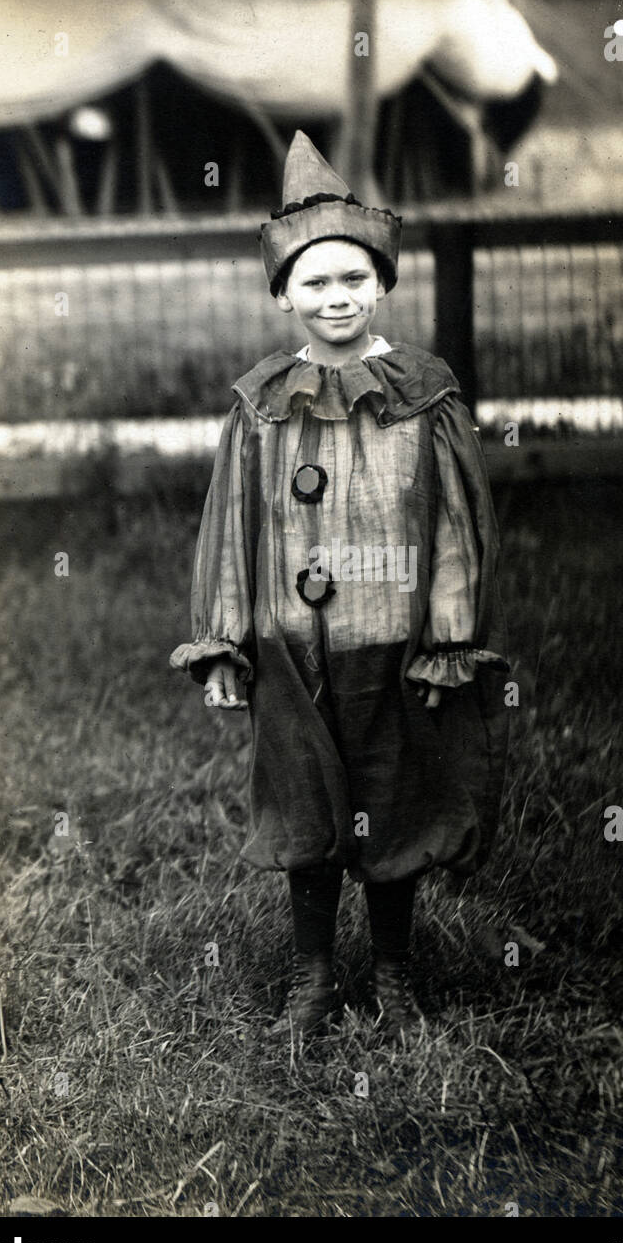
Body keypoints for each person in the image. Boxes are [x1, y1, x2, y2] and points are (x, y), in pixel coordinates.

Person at [170, 131, 509, 1042]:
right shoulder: (260, 406)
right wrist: (226, 643)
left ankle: (395, 973)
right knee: (306, 812)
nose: (336, 298)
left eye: (353, 278)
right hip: (291, 653)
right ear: (284, 294)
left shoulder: (424, 396)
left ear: (382, 283)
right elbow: (232, 528)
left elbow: (454, 533)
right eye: (314, 283)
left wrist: (446, 640)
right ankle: (313, 975)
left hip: (388, 649)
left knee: (394, 810)